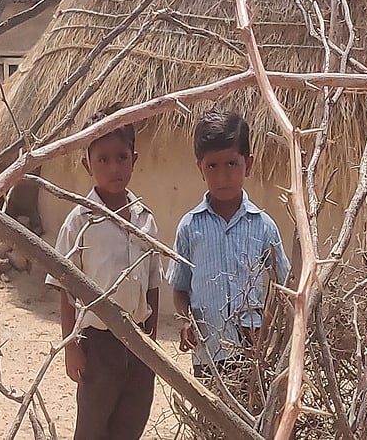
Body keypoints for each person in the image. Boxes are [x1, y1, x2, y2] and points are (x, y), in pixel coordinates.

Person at [45, 106, 161, 440]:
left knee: (132, 420)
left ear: (134, 160)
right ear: (87, 164)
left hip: (139, 343)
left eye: (122, 157)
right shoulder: (78, 222)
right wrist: (70, 346)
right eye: (104, 159)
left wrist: (151, 339)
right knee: (94, 426)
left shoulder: (145, 220)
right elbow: (65, 287)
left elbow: (153, 281)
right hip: (97, 344)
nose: (114, 168)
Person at [167, 109, 291, 377]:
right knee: (208, 417)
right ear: (200, 168)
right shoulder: (190, 227)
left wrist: (265, 327)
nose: (222, 176)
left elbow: (284, 284)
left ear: (249, 164)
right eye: (212, 166)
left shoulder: (263, 225)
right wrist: (186, 321)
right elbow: (179, 287)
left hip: (252, 355)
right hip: (207, 353)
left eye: (232, 164)